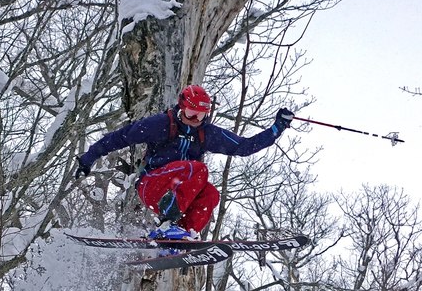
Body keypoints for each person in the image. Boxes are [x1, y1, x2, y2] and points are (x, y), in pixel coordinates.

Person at [75, 84, 294, 239]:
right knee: (196, 168)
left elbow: (244, 147)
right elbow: (120, 137)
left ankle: (182, 234)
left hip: (176, 194)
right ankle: (167, 224)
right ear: (181, 107)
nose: (195, 119)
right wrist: (87, 159)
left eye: (201, 115)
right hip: (151, 185)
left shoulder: (206, 133)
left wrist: (277, 129)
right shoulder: (161, 124)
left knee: (211, 193)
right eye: (190, 112)